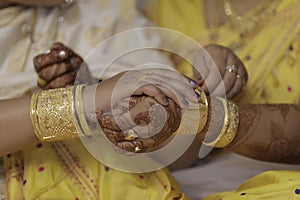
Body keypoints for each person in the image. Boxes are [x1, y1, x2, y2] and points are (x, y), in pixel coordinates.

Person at [137, 0, 300, 199]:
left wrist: (210, 116)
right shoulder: (168, 9)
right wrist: (201, 100)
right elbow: (169, 156)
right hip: (185, 176)